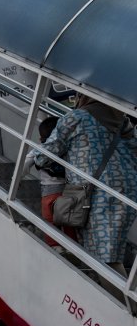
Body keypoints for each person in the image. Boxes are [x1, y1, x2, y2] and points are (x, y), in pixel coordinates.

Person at [42, 94, 137, 271]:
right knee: (112, 250)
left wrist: (34, 159)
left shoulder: (76, 117)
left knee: (104, 259)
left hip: (95, 194)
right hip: (128, 190)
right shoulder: (123, 122)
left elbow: (46, 153)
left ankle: (121, 299)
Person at [27, 117, 77, 247]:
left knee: (50, 224)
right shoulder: (69, 148)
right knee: (69, 223)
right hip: (70, 192)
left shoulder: (39, 149)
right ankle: (74, 250)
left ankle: (55, 249)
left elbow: (25, 166)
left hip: (49, 193)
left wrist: (16, 180)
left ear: (41, 137)